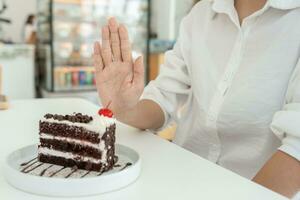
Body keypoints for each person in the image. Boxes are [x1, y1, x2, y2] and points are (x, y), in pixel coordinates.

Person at [93, 0, 300, 198]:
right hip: (180, 181)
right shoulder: (201, 15)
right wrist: (125, 108)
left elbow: (296, 150)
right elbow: (164, 96)